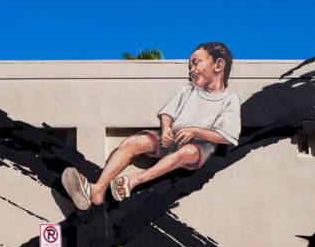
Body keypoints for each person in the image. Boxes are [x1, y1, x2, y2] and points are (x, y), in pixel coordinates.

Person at [61, 43, 241, 209]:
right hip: (172, 139)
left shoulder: (229, 100)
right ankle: (97, 189)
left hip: (199, 148)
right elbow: (167, 113)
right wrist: (167, 128)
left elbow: (227, 136)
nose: (191, 70)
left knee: (187, 153)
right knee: (133, 142)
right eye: (189, 66)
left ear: (218, 65)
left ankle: (133, 181)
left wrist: (195, 131)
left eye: (196, 63)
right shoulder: (187, 91)